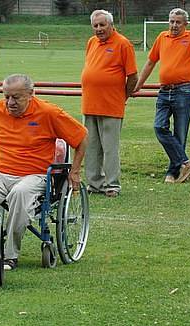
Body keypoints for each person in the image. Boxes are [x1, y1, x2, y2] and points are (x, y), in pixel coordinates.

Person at [0, 74, 88, 271]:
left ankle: (10, 255)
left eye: (16, 97)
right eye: (6, 97)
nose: (10, 102)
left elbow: (82, 137)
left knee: (20, 193)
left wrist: (75, 171)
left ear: (31, 94)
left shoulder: (48, 112)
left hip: (35, 174)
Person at [134, 8, 190, 183]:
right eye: (171, 21)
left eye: (178, 22)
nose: (174, 25)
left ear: (185, 24)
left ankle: (173, 173)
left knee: (180, 134)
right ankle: (185, 162)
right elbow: (150, 63)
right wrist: (138, 86)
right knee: (159, 127)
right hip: (164, 91)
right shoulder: (162, 37)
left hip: (183, 91)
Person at [81, 9, 138, 197]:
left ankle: (112, 185)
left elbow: (132, 77)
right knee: (91, 147)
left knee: (110, 148)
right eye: (95, 26)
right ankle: (94, 184)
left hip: (112, 106)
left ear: (111, 25)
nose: (99, 29)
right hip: (89, 104)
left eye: (102, 25)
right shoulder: (91, 42)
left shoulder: (123, 44)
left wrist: (123, 97)